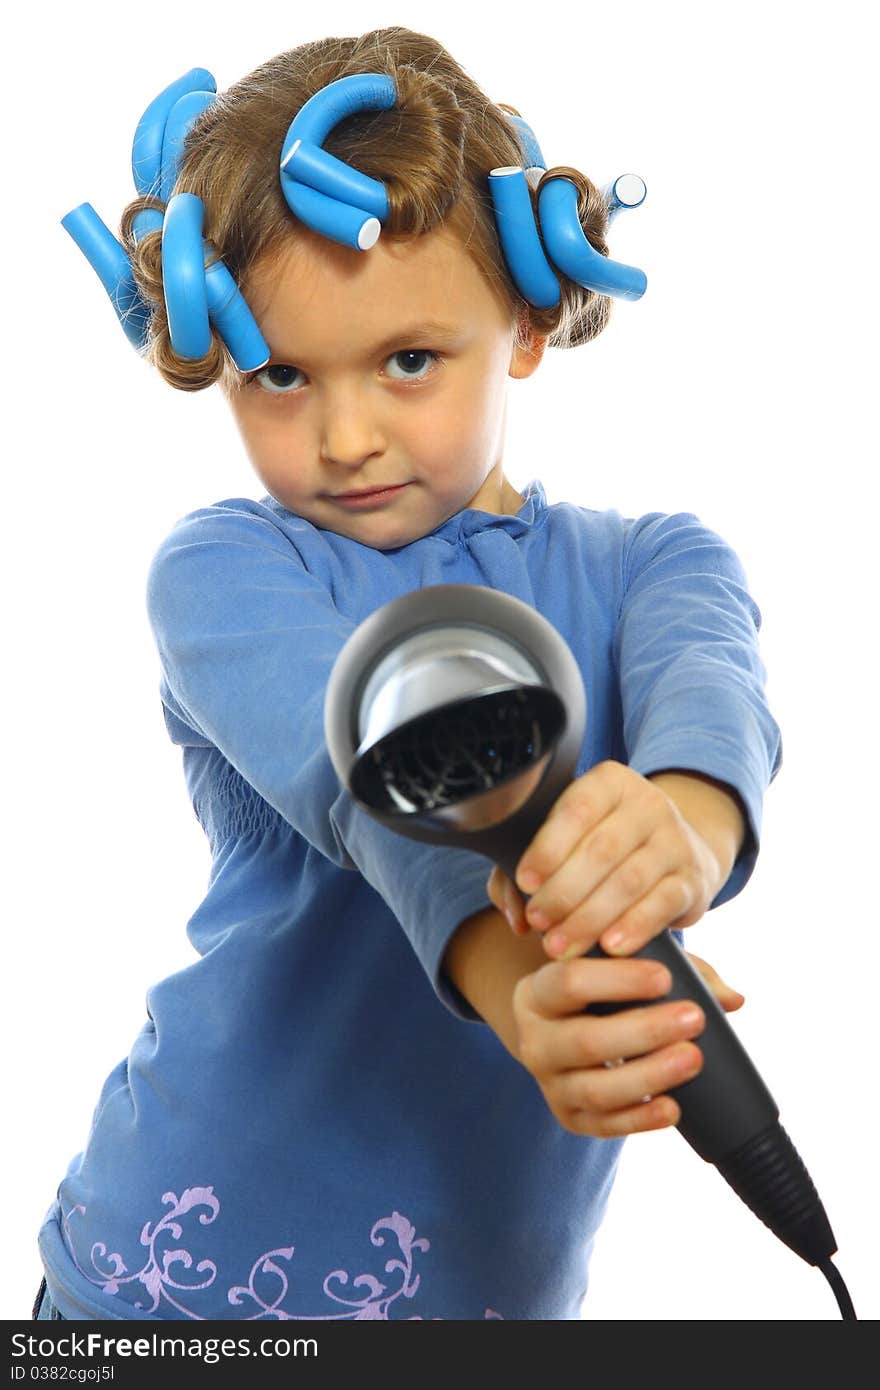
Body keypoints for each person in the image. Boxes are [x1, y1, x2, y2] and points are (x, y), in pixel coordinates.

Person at [34, 25, 782, 1322]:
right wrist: (519, 984)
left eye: (409, 360)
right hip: (171, 1287)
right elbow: (370, 780)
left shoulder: (658, 562)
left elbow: (715, 705)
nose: (345, 435)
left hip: (486, 1298)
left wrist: (678, 836)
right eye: (278, 375)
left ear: (528, 321)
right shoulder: (228, 570)